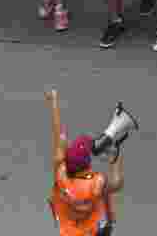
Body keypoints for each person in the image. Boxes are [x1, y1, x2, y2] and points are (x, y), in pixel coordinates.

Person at [45, 89, 124, 236]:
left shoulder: (60, 173)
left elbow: (58, 136)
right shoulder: (96, 182)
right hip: (93, 227)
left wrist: (53, 102)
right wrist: (115, 158)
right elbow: (117, 183)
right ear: (87, 163)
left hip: (69, 227)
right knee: (105, 207)